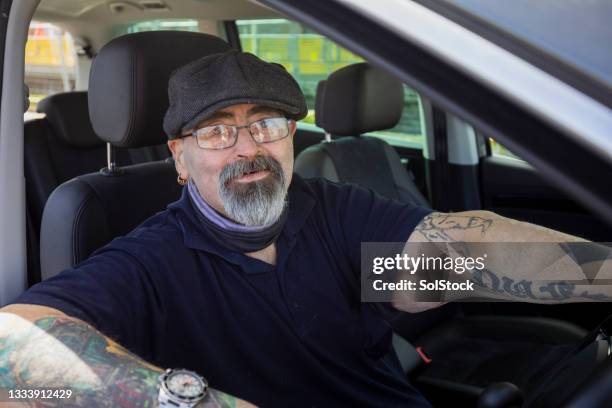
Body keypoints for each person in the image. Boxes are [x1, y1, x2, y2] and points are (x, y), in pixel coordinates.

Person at [1, 50, 610, 408]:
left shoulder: (333, 212)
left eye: (266, 123)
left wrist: (600, 274)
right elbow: (14, 354)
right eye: (216, 132)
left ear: (293, 137)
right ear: (180, 160)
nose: (247, 148)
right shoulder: (148, 262)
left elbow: (457, 255)